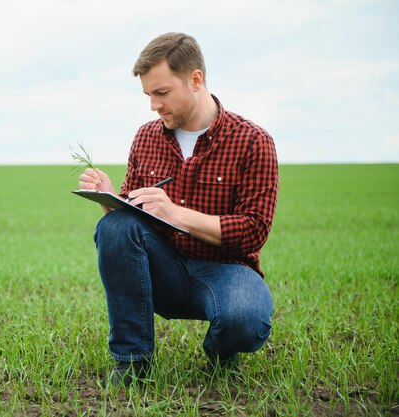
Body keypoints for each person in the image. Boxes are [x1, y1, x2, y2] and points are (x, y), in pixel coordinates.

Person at [78, 32, 279, 387]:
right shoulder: (145, 137)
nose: (154, 105)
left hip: (226, 271)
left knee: (245, 320)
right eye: (148, 95)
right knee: (114, 228)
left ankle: (221, 350)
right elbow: (131, 226)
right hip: (164, 269)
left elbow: (254, 230)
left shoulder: (253, 141)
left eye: (162, 93)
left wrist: (175, 213)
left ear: (195, 79)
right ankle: (132, 364)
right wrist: (112, 199)